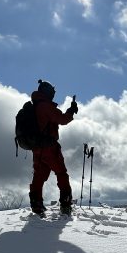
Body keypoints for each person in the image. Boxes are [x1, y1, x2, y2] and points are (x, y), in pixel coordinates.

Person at [28, 79, 77, 215]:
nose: (53, 95)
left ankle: (36, 204)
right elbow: (62, 119)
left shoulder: (35, 106)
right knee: (61, 173)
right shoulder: (45, 106)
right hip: (49, 147)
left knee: (39, 176)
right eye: (52, 92)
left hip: (37, 148)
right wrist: (71, 111)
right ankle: (65, 203)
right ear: (48, 92)